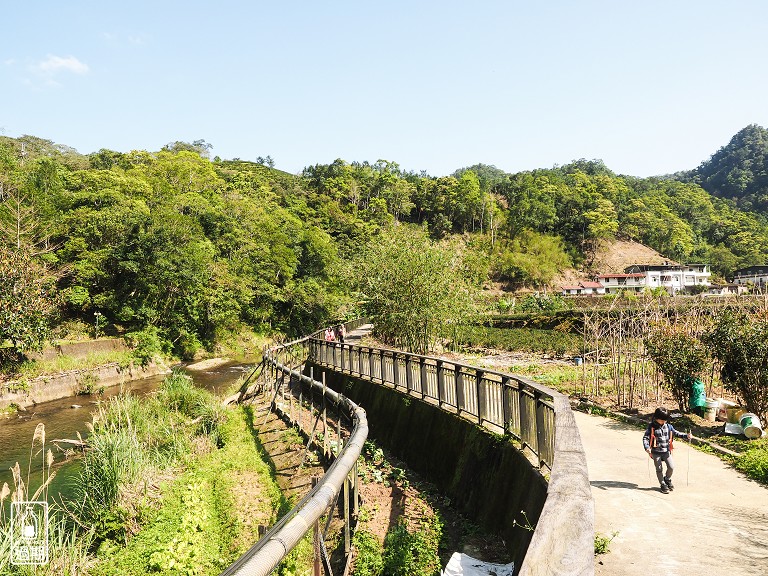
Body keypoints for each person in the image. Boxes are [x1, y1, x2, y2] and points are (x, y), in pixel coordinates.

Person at [642, 407, 692, 494]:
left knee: (671, 467)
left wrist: (686, 436)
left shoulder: (669, 427)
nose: (663, 422)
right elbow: (645, 438)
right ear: (656, 418)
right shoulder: (651, 427)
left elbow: (677, 433)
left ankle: (667, 479)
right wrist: (647, 447)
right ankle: (662, 484)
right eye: (662, 420)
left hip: (666, 452)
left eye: (665, 420)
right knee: (659, 469)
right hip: (656, 452)